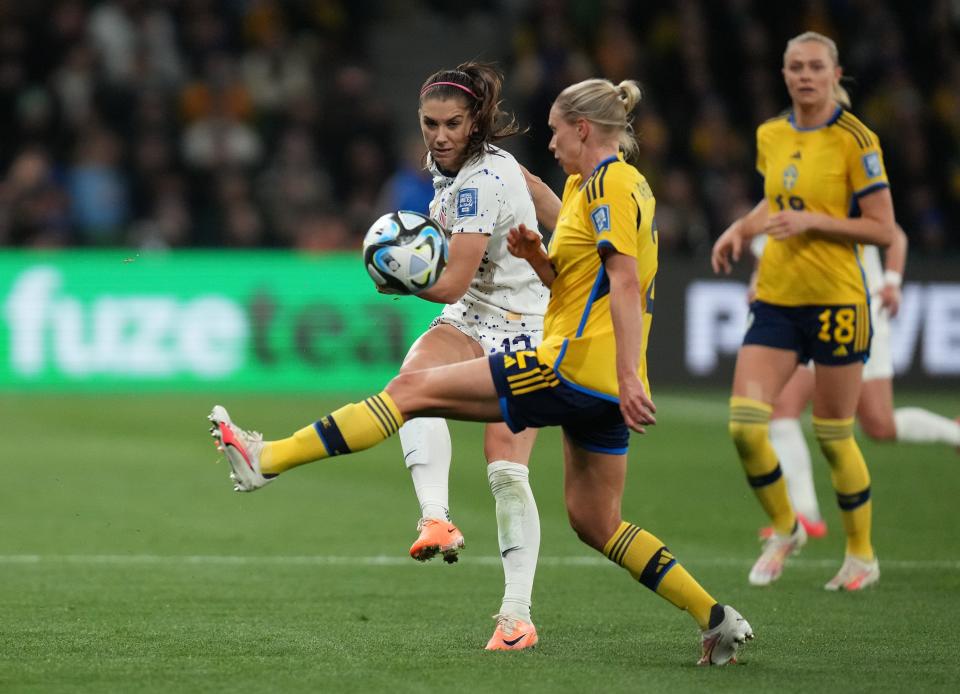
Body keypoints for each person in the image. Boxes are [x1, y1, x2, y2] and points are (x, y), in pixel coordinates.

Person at [209, 77, 753, 666]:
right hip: (587, 375)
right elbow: (578, 286)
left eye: (553, 130)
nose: (547, 143)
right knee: (598, 523)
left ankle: (268, 461)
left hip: (567, 368)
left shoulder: (609, 186)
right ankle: (715, 617)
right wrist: (539, 259)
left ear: (583, 129)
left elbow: (624, 282)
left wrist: (628, 377)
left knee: (411, 393)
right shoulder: (600, 186)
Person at [711, 31, 897, 591]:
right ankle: (785, 526)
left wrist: (814, 221)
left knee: (835, 434)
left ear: (835, 73)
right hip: (777, 297)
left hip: (839, 301)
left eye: (816, 66)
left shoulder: (855, 139)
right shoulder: (771, 133)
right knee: (745, 427)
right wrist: (741, 227)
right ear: (784, 73)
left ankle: (861, 555)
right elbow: (777, 200)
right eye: (795, 67)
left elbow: (882, 228)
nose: (804, 76)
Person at [392, 62, 547, 650]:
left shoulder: (483, 179)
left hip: (525, 326)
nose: (439, 135)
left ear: (475, 121)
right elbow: (537, 190)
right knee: (413, 382)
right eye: (430, 124)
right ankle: (435, 518)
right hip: (475, 314)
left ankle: (517, 617)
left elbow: (452, 282)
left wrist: (400, 279)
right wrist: (566, 230)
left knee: (506, 469)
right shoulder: (453, 166)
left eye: (453, 124)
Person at [752, 225, 960, 537]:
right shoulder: (783, 189)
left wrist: (892, 282)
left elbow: (895, 235)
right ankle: (805, 514)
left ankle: (954, 433)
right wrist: (758, 284)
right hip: (810, 311)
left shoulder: (846, 185)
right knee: (783, 408)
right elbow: (767, 250)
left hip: (860, 309)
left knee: (879, 424)